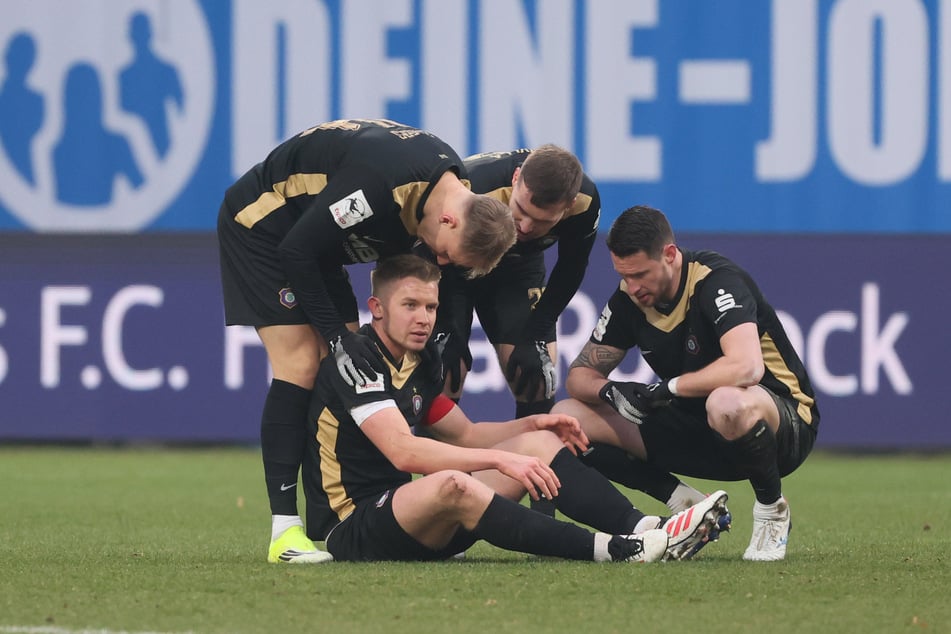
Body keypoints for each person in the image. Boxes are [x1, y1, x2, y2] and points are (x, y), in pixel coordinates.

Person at [300, 254, 732, 563]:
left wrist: (533, 423)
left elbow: (465, 434)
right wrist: (502, 460)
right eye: (410, 305)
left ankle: (649, 530)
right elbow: (404, 453)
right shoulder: (357, 357)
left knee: (538, 442)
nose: (424, 318)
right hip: (355, 528)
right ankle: (614, 549)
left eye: (431, 306)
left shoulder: (422, 360)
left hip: (416, 523)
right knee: (452, 483)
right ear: (376, 308)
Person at [217, 119, 516, 563]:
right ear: (450, 220)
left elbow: (398, 267)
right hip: (265, 225)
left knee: (355, 374)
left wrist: (445, 333)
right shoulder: (379, 185)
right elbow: (296, 250)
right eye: (446, 253)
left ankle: (357, 513)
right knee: (302, 362)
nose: (438, 260)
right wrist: (337, 338)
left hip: (316, 243)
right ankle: (286, 533)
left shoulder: (452, 187)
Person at [553, 206, 819, 561]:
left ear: (670, 255)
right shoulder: (628, 298)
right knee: (566, 418)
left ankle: (772, 510)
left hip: (782, 423)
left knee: (725, 403)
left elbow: (747, 367)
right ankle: (681, 500)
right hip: (700, 428)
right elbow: (579, 376)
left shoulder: (715, 281)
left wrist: (668, 388)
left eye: (641, 275)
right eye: (623, 276)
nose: (633, 288)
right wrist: (610, 391)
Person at [435, 146, 600, 422]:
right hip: (453, 268)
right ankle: (436, 465)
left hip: (517, 269)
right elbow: (427, 252)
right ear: (515, 178)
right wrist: (446, 327)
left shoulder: (585, 202)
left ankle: (539, 460)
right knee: (445, 370)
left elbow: (572, 268)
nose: (524, 227)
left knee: (536, 374)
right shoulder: (469, 187)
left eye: (541, 221)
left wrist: (537, 331)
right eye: (521, 209)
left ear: (568, 206)